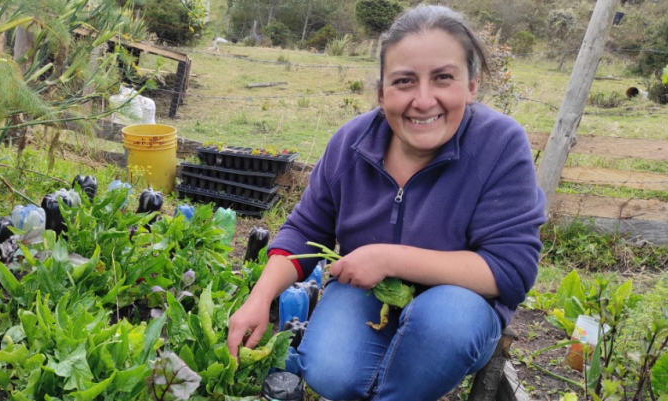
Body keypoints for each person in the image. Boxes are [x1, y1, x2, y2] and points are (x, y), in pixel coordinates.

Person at [227, 5, 546, 401]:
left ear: (471, 85)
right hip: (367, 292)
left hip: (459, 308)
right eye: (404, 81)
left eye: (443, 78)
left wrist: (389, 258)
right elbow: (306, 231)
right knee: (328, 372)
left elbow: (510, 269)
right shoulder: (351, 143)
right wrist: (259, 299)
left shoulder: (498, 145)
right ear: (381, 92)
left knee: (445, 323)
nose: (423, 100)